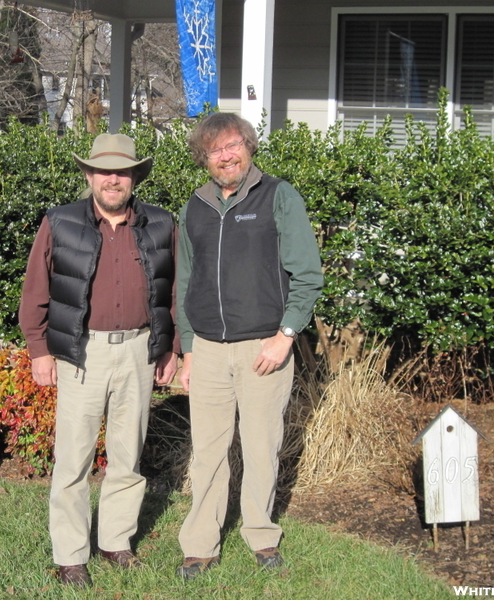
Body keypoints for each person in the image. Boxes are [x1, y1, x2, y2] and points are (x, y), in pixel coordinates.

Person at [19, 133, 179, 588]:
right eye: (104, 170)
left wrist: (172, 348)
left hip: (139, 351)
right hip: (80, 353)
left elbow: (174, 291)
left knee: (128, 456)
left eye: (122, 171)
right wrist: (39, 351)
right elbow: (36, 291)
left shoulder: (161, 224)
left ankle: (115, 541)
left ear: (134, 177)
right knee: (74, 459)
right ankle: (70, 554)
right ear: (89, 175)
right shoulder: (60, 222)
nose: (113, 179)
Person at [175, 113, 323, 579]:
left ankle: (261, 535)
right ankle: (200, 544)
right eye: (215, 150)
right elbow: (184, 281)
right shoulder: (194, 206)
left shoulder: (279, 196)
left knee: (261, 447)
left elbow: (308, 275)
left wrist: (286, 336)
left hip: (265, 347)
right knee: (209, 451)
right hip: (209, 350)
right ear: (205, 158)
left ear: (249, 147)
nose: (226, 155)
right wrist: (188, 348)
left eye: (234, 144)